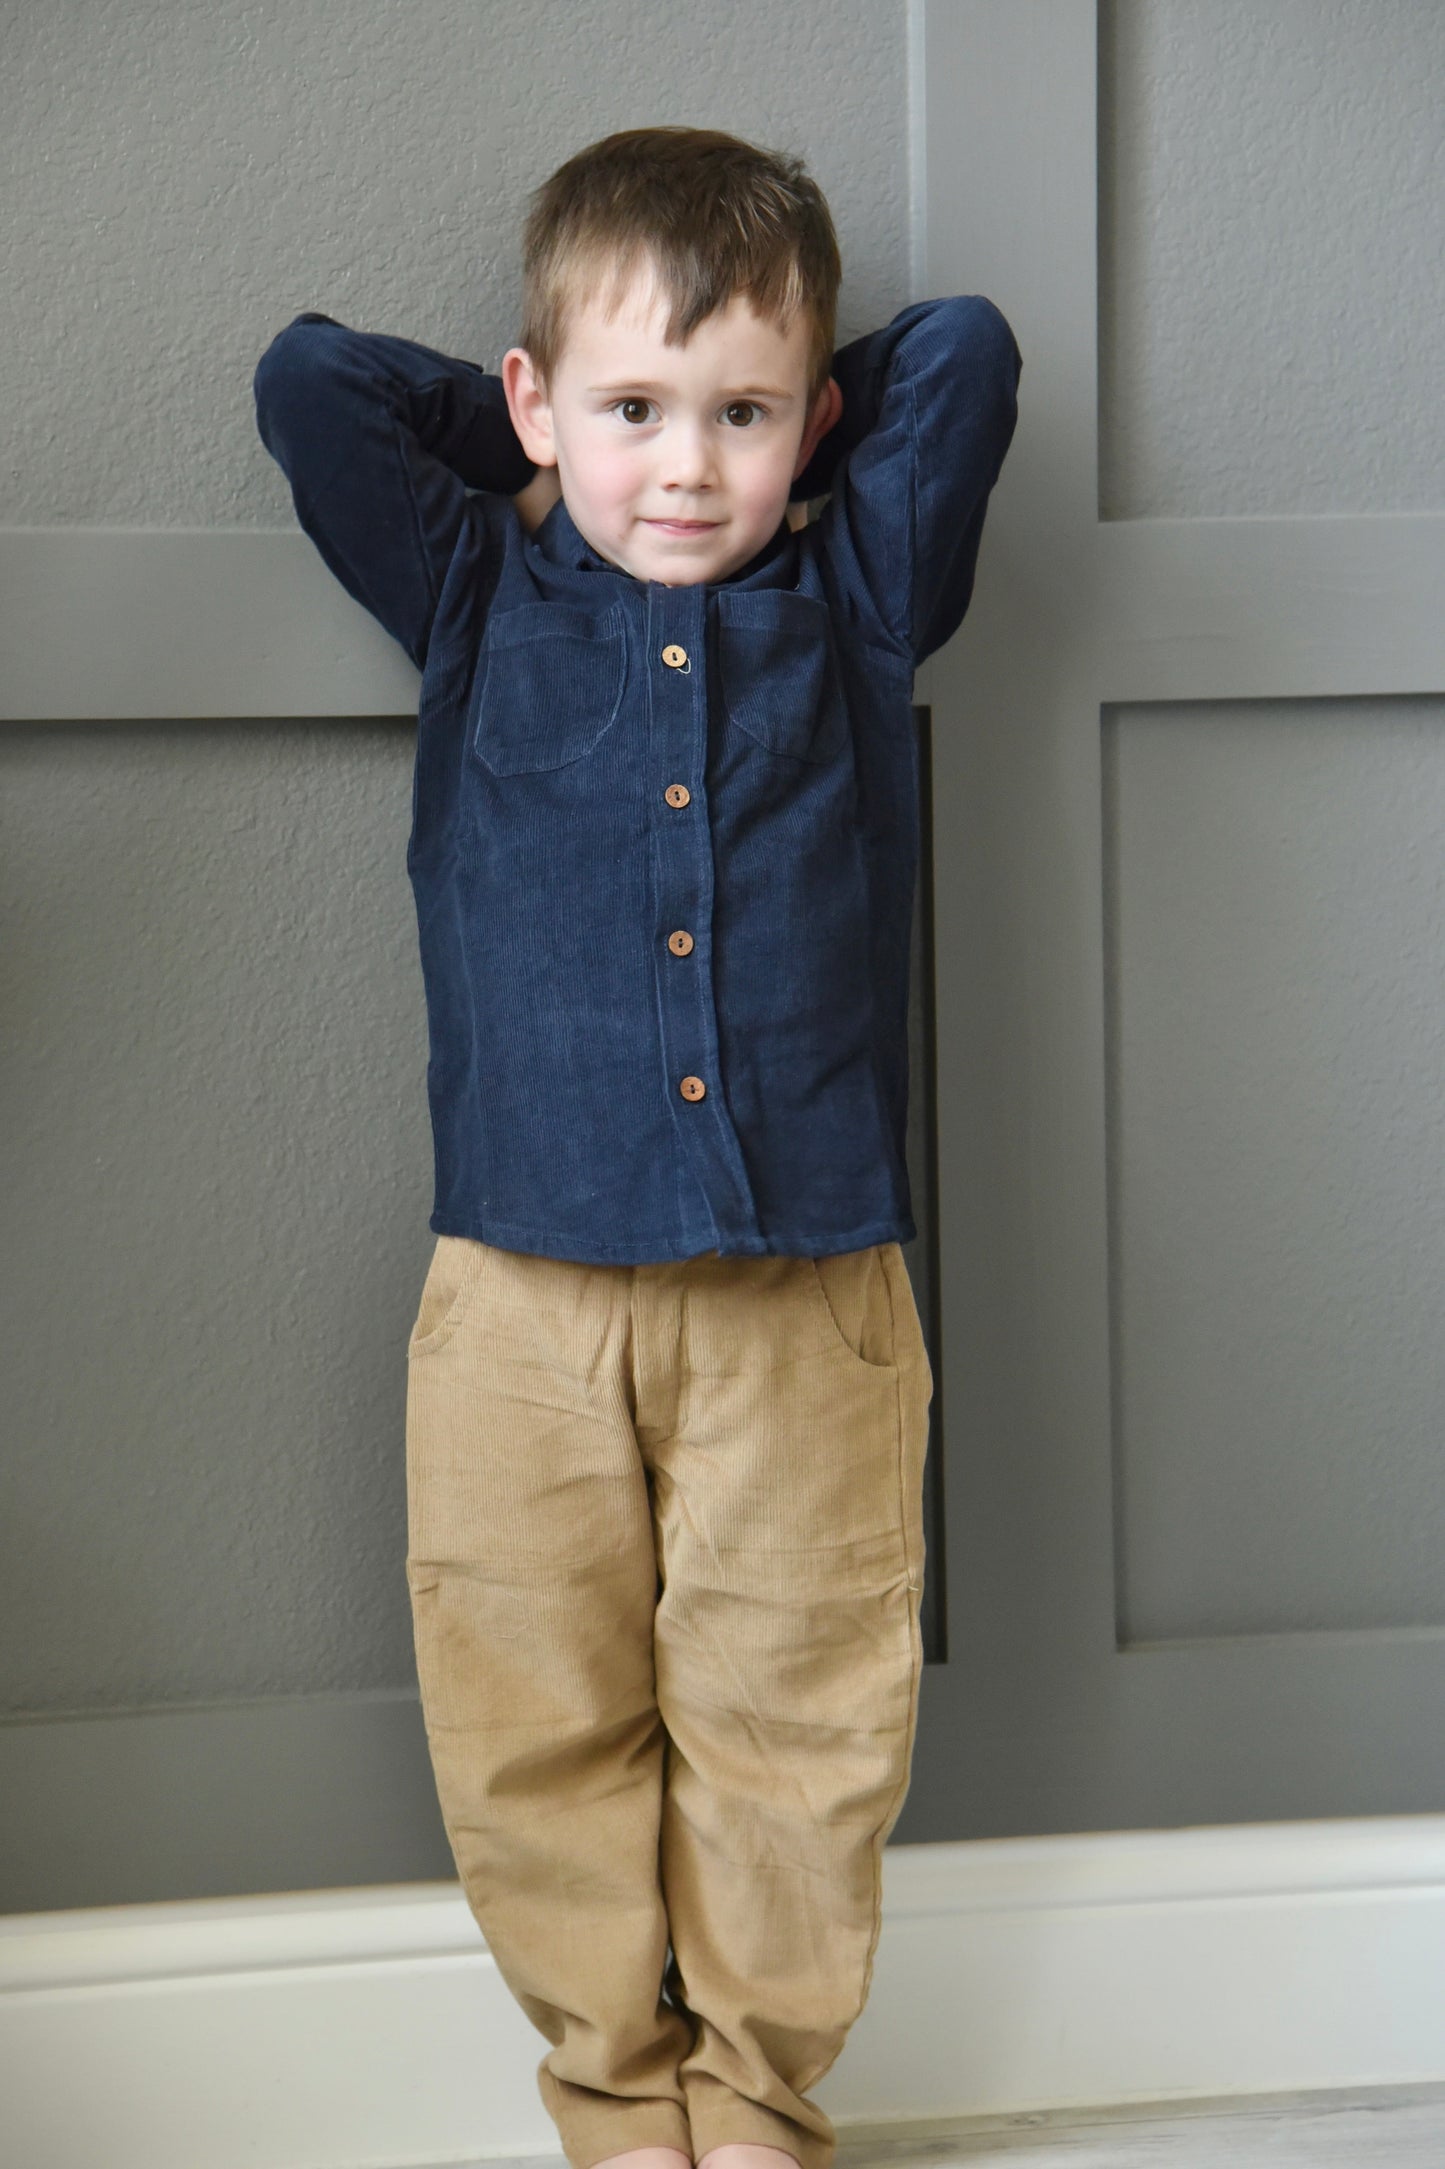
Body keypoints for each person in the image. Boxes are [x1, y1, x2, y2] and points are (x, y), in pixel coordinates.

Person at [252, 124, 1020, 2169]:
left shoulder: (857, 585)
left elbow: (971, 353)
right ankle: (613, 2088)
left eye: (744, 413)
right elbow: (304, 384)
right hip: (520, 1289)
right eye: (631, 410)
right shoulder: (476, 585)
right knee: (538, 1722)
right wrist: (526, 428)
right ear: (537, 407)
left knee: (800, 1723)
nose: (685, 465)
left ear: (814, 419)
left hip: (810, 1298)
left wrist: (790, 421)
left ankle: (758, 2097)